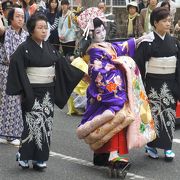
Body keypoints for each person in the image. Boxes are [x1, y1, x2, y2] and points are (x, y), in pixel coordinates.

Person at [76, 7, 156, 175]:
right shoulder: (95, 52)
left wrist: (139, 39)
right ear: (91, 34)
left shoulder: (105, 46)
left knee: (109, 122)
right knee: (115, 122)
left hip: (111, 89)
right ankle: (113, 155)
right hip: (108, 91)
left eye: (103, 30)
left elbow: (121, 46)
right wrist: (117, 79)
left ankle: (101, 154)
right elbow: (99, 72)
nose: (102, 33)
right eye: (98, 31)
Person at [6, 12, 85, 170]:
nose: (44, 31)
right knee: (32, 124)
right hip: (31, 91)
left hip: (47, 91)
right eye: (40, 28)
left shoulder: (49, 47)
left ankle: (39, 158)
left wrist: (82, 75)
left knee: (46, 125)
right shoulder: (24, 49)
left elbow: (62, 65)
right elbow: (16, 65)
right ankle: (24, 155)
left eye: (45, 28)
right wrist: (24, 91)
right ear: (32, 30)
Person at [134, 7, 180, 161]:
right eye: (165, 21)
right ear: (155, 22)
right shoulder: (147, 42)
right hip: (152, 85)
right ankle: (150, 146)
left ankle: (167, 148)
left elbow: (178, 66)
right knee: (153, 116)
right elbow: (138, 66)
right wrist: (140, 87)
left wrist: (177, 86)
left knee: (169, 115)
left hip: (170, 84)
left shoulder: (174, 42)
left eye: (170, 21)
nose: (169, 23)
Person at [0, 7, 28, 146]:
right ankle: (4, 133)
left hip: (21, 71)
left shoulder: (26, 35)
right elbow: (9, 53)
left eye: (22, 16)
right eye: (17, 16)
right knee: (6, 101)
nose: (20, 19)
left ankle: (16, 134)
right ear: (11, 18)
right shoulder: (6, 32)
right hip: (7, 70)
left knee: (18, 102)